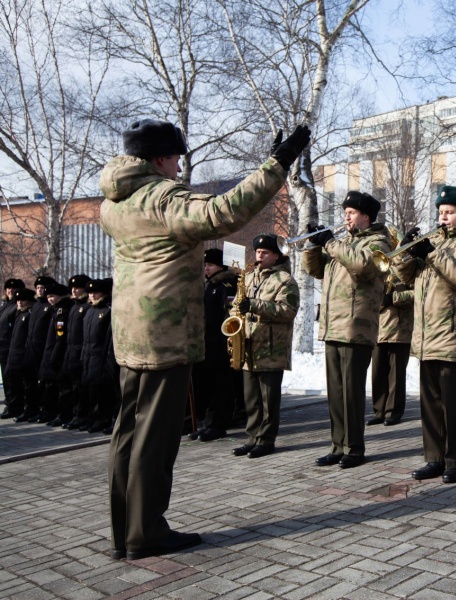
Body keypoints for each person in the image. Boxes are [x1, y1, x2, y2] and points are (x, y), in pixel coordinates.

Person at [100, 117, 310, 560]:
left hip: (131, 331)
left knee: (128, 432)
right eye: (176, 158)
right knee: (156, 439)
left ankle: (124, 532)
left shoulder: (114, 202)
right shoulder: (162, 197)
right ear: (159, 158)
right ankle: (146, 534)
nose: (179, 167)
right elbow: (223, 212)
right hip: (166, 332)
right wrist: (278, 164)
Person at [394, 185, 456, 484]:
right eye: (441, 212)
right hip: (427, 337)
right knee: (430, 406)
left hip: (454, 336)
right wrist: (405, 252)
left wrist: (432, 254)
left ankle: (455, 461)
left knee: (452, 405)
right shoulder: (434, 241)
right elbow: (405, 278)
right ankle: (434, 458)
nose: (443, 217)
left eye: (449, 212)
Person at [302, 192, 391, 469]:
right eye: (345, 213)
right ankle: (337, 446)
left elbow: (363, 266)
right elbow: (314, 270)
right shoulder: (343, 244)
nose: (346, 218)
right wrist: (312, 245)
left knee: (351, 393)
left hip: (356, 327)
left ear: (366, 216)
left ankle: (354, 448)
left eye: (351, 213)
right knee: (336, 393)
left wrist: (330, 242)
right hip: (333, 325)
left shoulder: (378, 242)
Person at [230, 234, 299, 459]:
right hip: (249, 347)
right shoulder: (249, 277)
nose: (259, 256)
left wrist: (254, 305)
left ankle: (266, 440)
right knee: (251, 400)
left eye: (265, 253)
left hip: (271, 349)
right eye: (258, 252)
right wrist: (234, 313)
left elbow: (288, 311)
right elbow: (237, 305)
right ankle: (252, 438)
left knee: (269, 401)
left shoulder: (285, 280)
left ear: (276, 256)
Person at [191, 248, 238, 442]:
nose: (206, 268)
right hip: (206, 343)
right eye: (204, 265)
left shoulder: (226, 284)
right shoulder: (208, 285)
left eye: (210, 265)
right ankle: (208, 423)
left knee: (221, 386)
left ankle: (218, 424)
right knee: (208, 385)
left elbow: (229, 313)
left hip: (220, 343)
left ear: (220, 265)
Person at [369, 231, 413, 427]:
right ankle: (379, 410)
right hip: (378, 327)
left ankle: (393, 411)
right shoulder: (380, 266)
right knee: (377, 372)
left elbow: (418, 292)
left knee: (396, 374)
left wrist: (394, 297)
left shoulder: (408, 266)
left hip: (400, 328)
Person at [18, 276, 57, 422]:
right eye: (38, 288)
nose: (40, 290)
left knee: (45, 384)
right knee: (30, 383)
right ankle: (31, 409)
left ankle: (46, 410)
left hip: (43, 350)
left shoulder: (50, 306)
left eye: (43, 287)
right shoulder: (35, 306)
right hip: (31, 350)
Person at [81, 278, 116, 433]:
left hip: (101, 358)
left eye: (96, 292)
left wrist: (108, 360)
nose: (92, 295)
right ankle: (93, 418)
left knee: (103, 392)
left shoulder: (108, 310)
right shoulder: (90, 311)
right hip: (88, 357)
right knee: (91, 391)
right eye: (90, 293)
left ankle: (104, 419)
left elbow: (109, 339)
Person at [38, 282, 76, 426]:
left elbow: (60, 337)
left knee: (63, 388)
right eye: (48, 297)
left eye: (52, 296)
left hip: (60, 355)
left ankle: (63, 415)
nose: (50, 299)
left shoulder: (62, 311)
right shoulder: (56, 309)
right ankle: (55, 413)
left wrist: (54, 357)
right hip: (52, 352)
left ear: (60, 296)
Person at [61, 275, 92, 430]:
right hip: (71, 352)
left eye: (77, 288)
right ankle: (76, 415)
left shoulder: (86, 307)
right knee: (74, 386)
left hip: (81, 353)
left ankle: (83, 416)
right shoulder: (74, 306)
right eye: (72, 288)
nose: (73, 291)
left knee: (82, 388)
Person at [3, 286, 33, 420]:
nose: (20, 303)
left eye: (23, 300)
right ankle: (14, 407)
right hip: (14, 352)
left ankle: (22, 408)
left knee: (24, 384)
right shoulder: (19, 314)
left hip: (23, 353)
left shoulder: (29, 314)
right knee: (12, 380)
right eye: (18, 300)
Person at [0, 278, 26, 419]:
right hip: (3, 347)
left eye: (14, 289)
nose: (11, 291)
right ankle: (10, 403)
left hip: (12, 347)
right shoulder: (5, 305)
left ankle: (14, 406)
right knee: (7, 378)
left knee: (13, 379)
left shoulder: (17, 307)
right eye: (9, 288)